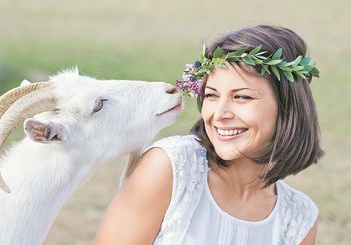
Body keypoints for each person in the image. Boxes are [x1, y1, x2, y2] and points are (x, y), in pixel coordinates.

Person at [93, 25, 324, 245]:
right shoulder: (171, 167)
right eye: (212, 95)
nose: (219, 114)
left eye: (242, 97)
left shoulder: (299, 218)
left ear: (287, 106)